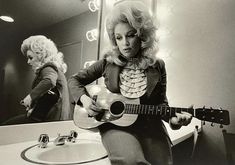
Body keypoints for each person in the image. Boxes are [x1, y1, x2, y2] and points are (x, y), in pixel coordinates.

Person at [69, 1, 192, 165]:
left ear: (142, 35)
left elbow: (161, 105)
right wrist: (84, 100)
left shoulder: (158, 65)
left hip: (151, 127)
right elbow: (74, 80)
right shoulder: (107, 62)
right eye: (118, 37)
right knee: (131, 161)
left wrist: (173, 121)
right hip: (116, 126)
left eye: (131, 35)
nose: (124, 43)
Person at [3, 35, 72, 125]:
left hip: (48, 122)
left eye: (30, 57)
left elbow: (49, 81)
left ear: (41, 55)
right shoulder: (56, 69)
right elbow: (50, 98)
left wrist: (30, 97)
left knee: (5, 127)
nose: (28, 62)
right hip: (55, 121)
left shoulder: (48, 67)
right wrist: (33, 106)